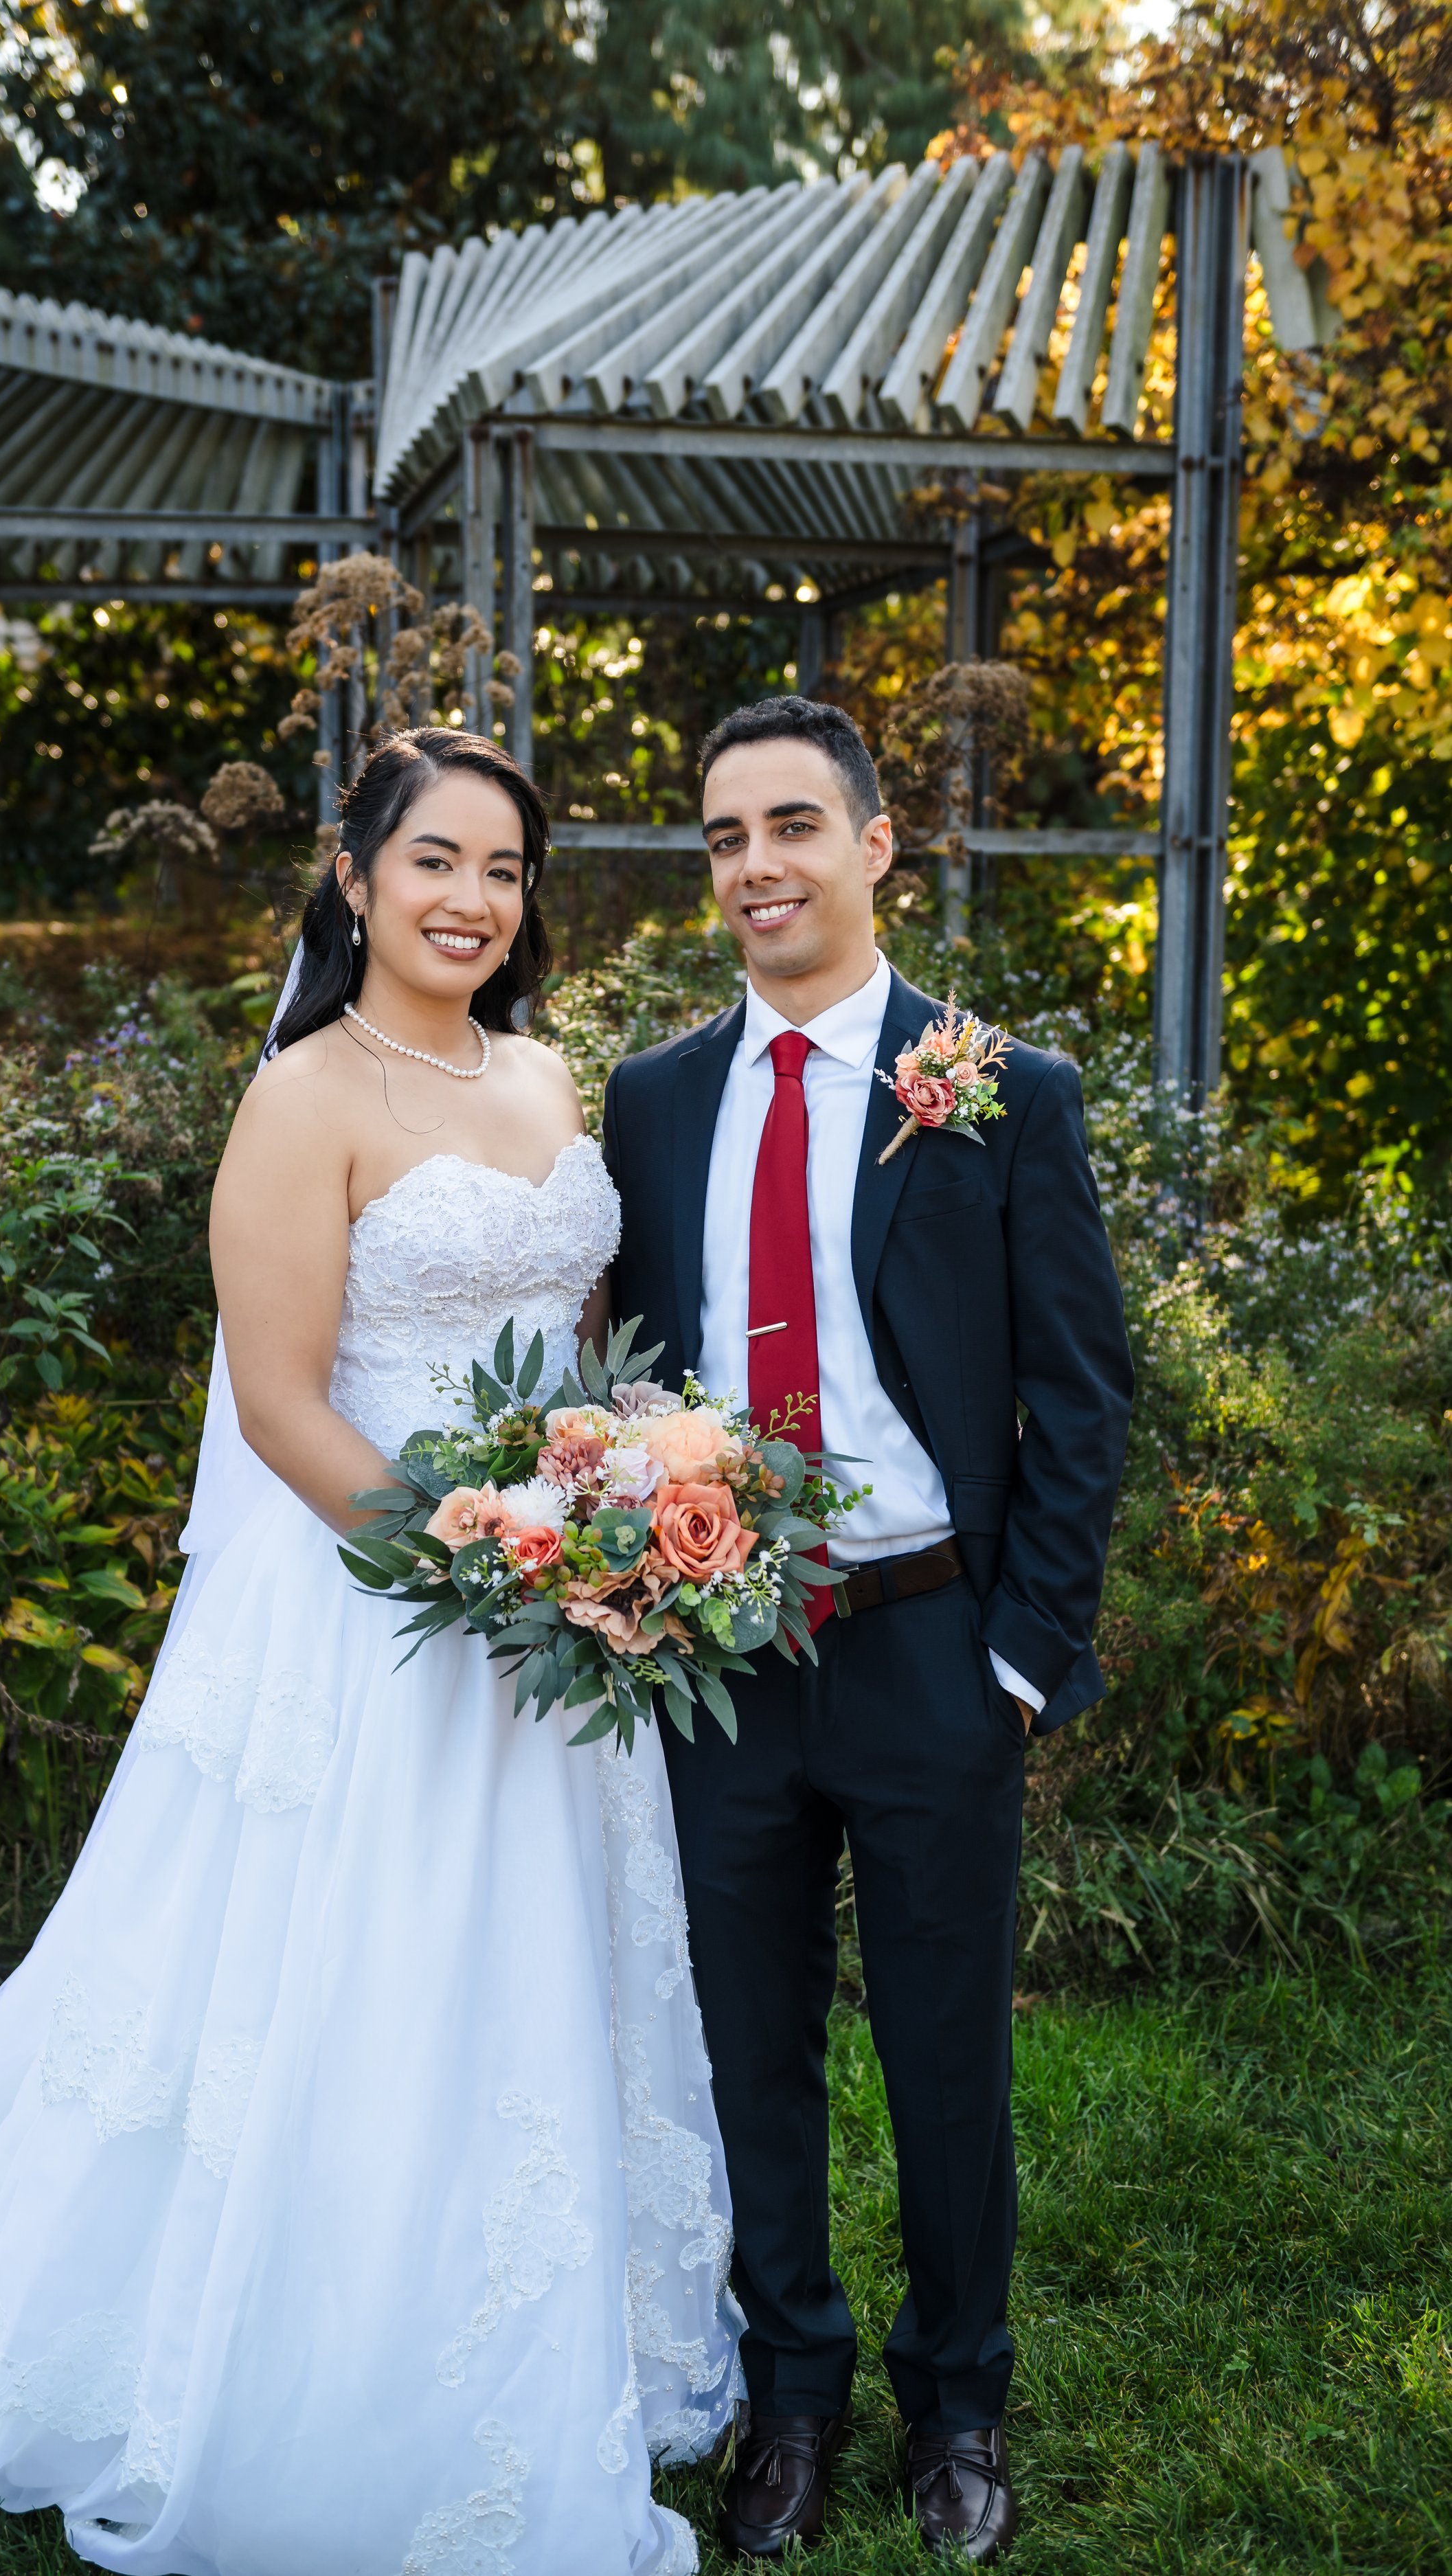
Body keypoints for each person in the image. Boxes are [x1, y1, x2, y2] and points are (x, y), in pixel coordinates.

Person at [0, 729, 738, 2576]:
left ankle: (539, 2323)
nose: (471, 899)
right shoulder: (302, 1095)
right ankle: (322, 2346)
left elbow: (577, 1358)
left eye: (505, 869)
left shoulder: (540, 1074)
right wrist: (487, 1567)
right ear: (355, 878)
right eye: (435, 860)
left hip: (557, 1639)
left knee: (536, 1963)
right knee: (366, 1964)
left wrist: (615, 1511)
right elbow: (280, 1406)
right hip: (383, 1616)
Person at [603, 696, 1133, 2564]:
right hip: (719, 1650)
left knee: (942, 2050)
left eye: (793, 826)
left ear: (875, 844)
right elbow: (632, 1360)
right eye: (724, 836)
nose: (756, 867)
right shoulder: (655, 1100)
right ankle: (793, 2394)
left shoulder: (998, 1089)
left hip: (927, 1641)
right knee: (746, 2045)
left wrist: (1017, 1655)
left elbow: (1080, 1398)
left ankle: (960, 2400)